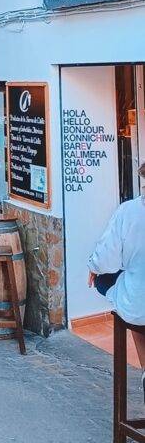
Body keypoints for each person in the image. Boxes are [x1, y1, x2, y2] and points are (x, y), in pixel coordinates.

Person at [88, 162, 145, 397]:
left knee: (106, 280)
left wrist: (93, 266)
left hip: (138, 303)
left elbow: (107, 256)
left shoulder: (130, 211)